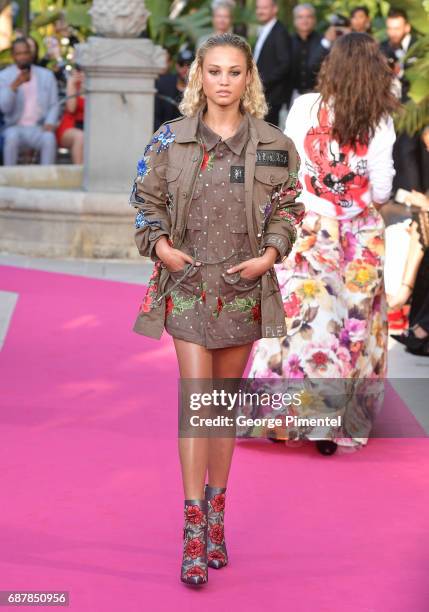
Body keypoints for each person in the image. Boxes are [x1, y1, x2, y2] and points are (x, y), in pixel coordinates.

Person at [128, 33, 304, 585]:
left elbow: (289, 208)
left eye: (234, 72)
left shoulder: (275, 143)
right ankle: (193, 530)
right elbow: (144, 201)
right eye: (214, 71)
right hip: (185, 285)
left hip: (243, 288)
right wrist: (159, 247)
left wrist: (269, 256)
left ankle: (218, 517)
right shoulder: (169, 139)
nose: (223, 81)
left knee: (221, 411)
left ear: (248, 78)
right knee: (196, 404)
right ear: (197, 76)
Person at [248, 33, 399, 455]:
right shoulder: (381, 119)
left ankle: (282, 416)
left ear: (331, 66)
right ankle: (332, 423)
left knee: (302, 319)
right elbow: (383, 188)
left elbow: (288, 166)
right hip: (360, 234)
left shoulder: (304, 107)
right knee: (351, 325)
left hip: (311, 226)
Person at [380, 8, 429, 194]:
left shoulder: (421, 46)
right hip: (394, 110)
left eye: (397, 28)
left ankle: (418, 192)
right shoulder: (383, 48)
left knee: (415, 150)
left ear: (407, 27)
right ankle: (406, 192)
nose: (393, 33)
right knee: (399, 149)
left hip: (419, 108)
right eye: (390, 28)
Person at [0, 37, 59, 165]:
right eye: (19, 54)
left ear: (30, 54)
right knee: (11, 138)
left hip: (39, 127)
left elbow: (54, 104)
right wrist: (14, 86)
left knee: (49, 139)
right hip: (14, 127)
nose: (23, 57)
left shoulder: (46, 75)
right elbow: (4, 108)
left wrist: (50, 122)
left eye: (25, 53)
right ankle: (9, 179)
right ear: (13, 56)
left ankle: (46, 178)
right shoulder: (4, 77)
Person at [253, 0, 291, 126]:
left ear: (275, 9)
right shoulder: (265, 29)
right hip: (263, 94)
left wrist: (261, 82)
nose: (260, 11)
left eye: (264, 8)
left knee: (268, 137)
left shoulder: (280, 32)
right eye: (258, 8)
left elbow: (285, 64)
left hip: (273, 96)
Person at [288, 3, 330, 108]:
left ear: (314, 20)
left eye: (309, 16)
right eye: (300, 17)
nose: (305, 20)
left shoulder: (323, 41)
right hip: (293, 95)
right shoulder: (288, 41)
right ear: (295, 21)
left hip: (318, 95)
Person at [154, 48, 194, 131]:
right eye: (181, 64)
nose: (185, 68)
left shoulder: (201, 89)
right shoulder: (163, 85)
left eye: (189, 65)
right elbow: (155, 116)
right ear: (176, 65)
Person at [56, 65, 84, 164]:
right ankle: (78, 172)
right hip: (70, 126)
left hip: (90, 127)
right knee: (80, 136)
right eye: (79, 70)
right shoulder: (73, 84)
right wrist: (72, 84)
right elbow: (71, 109)